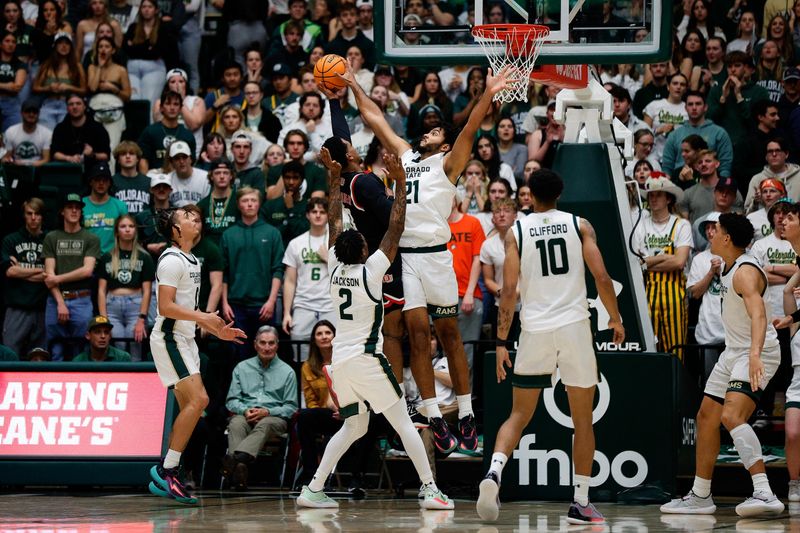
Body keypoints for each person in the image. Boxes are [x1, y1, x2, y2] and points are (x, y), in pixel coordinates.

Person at [335, 60, 514, 457]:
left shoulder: (449, 163)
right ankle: (433, 414)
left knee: (449, 335)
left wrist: (489, 92)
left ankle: (466, 414)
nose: (427, 132)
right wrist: (352, 85)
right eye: (428, 129)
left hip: (436, 258)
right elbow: (376, 118)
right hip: (407, 259)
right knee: (418, 336)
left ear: (445, 145)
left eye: (435, 131)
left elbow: (469, 128)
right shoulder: (406, 156)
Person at [296, 147, 453, 511]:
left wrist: (333, 178)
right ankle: (429, 488)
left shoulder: (335, 272)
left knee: (354, 427)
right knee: (403, 422)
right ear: (363, 249)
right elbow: (395, 227)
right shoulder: (370, 271)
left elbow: (335, 223)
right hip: (367, 359)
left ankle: (313, 489)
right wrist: (399, 182)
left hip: (342, 365)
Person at [477, 169, 625, 524]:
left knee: (518, 415)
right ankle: (580, 502)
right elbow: (602, 277)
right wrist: (616, 318)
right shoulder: (580, 225)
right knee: (583, 420)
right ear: (560, 193)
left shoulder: (517, 232)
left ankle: (494, 473)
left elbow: (508, 292)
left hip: (534, 330)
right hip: (574, 327)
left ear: (530, 196)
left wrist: (501, 342)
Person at [661, 213, 784, 518]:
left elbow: (758, 315)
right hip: (735, 351)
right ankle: (701, 495)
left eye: (716, 231)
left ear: (727, 238)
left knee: (731, 415)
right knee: (706, 417)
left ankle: (765, 493)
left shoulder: (745, 271)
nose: (711, 235)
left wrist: (754, 354)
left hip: (758, 351)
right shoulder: (727, 267)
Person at [148, 204, 246, 504]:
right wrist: (203, 318)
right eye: (187, 217)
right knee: (200, 400)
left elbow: (189, 308)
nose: (195, 219)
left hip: (186, 339)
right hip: (170, 338)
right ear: (176, 230)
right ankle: (166, 470)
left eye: (195, 216)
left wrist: (218, 329)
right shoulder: (170, 260)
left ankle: (171, 471)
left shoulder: (191, 258)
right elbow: (166, 307)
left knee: (192, 412)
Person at [223, 325, 298, 491]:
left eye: (271, 343)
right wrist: (244, 410)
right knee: (236, 423)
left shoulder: (288, 372)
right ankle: (240, 469)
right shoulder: (241, 368)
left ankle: (235, 460)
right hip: (246, 414)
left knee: (266, 423)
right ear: (255, 344)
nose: (267, 347)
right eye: (263, 343)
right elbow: (231, 400)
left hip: (274, 418)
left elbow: (291, 407)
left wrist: (268, 412)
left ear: (277, 345)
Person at [220, 187, 285, 358]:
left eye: (253, 200)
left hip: (264, 305)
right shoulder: (228, 235)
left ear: (259, 203)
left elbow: (278, 269)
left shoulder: (272, 233)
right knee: (239, 355)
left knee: (267, 353)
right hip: (236, 307)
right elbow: (223, 272)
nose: (249, 204)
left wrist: (272, 301)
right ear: (238, 204)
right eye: (245, 201)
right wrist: (224, 303)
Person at [633, 176, 694, 357]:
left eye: (658, 195)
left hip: (675, 295)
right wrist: (665, 257)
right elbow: (637, 264)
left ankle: (675, 385)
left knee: (676, 350)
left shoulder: (681, 224)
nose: (653, 199)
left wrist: (648, 261)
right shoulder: (640, 226)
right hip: (647, 296)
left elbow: (679, 262)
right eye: (651, 195)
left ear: (668, 198)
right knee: (649, 349)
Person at [43, 193, 101, 361]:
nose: (74, 211)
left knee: (81, 351)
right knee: (55, 350)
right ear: (62, 211)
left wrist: (58, 279)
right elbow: (49, 274)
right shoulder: (52, 237)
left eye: (78, 208)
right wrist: (61, 303)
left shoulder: (91, 238)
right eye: (70, 207)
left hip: (82, 299)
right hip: (55, 301)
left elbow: (87, 270)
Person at [282, 198, 335, 361]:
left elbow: (346, 274)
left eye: (322, 212)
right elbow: (290, 281)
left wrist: (329, 259)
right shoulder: (296, 243)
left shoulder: (336, 241)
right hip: (303, 303)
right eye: (314, 212)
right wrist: (286, 313)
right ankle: (305, 386)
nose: (318, 215)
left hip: (330, 303)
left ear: (328, 215)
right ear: (307, 215)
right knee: (301, 352)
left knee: (335, 350)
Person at [97, 214, 154, 360]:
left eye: (131, 226)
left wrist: (142, 318)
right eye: (123, 226)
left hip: (135, 305)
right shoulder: (107, 257)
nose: (127, 230)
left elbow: (147, 290)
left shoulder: (144, 257)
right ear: (117, 231)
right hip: (112, 305)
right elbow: (101, 290)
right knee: (117, 346)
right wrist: (104, 319)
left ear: (135, 230)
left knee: (135, 344)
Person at [1, 198, 47, 358]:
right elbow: (10, 273)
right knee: (10, 354)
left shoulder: (49, 240)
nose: (33, 217)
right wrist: (38, 271)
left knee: (39, 358)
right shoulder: (11, 240)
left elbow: (51, 275)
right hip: (17, 308)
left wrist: (21, 269)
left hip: (42, 308)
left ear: (42, 216)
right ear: (24, 216)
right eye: (29, 213)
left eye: (37, 214)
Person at [447, 195, 485, 375]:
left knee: (466, 351)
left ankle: (466, 398)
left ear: (457, 199)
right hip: (441, 297)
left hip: (467, 295)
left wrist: (469, 292)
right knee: (442, 352)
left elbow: (478, 259)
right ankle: (445, 398)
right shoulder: (436, 227)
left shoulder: (472, 223)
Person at [661, 91, 734, 180]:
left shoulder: (719, 133)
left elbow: (725, 166)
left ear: (705, 107)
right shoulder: (675, 135)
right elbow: (667, 167)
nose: (694, 107)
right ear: (685, 108)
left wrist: (722, 187)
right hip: (679, 182)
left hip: (710, 184)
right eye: (690, 104)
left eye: (698, 104)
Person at [123, 0, 177, 107]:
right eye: (144, 7)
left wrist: (135, 47)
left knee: (149, 103)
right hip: (132, 69)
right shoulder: (133, 27)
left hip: (154, 68)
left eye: (150, 7)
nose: (146, 10)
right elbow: (126, 50)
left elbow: (157, 52)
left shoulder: (163, 28)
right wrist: (148, 47)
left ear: (156, 10)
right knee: (134, 102)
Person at [86, 35, 130, 149]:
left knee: (112, 146)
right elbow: (92, 88)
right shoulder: (92, 68)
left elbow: (127, 96)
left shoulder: (121, 70)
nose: (103, 49)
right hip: (96, 109)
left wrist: (114, 89)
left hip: (115, 110)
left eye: (107, 46)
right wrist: (99, 68)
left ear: (113, 50)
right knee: (96, 146)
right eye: (100, 47)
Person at [138, 89, 195, 173]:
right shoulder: (150, 132)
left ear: (180, 109)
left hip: (180, 179)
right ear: (161, 108)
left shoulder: (187, 135)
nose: (172, 108)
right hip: (155, 178)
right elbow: (143, 161)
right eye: (168, 104)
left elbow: (191, 163)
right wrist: (145, 183)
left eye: (176, 104)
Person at [153, 68, 206, 156]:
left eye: (181, 81)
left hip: (193, 151)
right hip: (166, 150)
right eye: (173, 82)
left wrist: (180, 100)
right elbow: (159, 124)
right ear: (167, 86)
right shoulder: (160, 103)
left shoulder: (197, 101)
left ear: (186, 84)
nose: (177, 85)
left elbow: (194, 125)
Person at [50, 92, 110, 169]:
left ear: (84, 106)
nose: (74, 107)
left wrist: (92, 154)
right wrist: (68, 158)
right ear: (67, 108)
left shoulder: (97, 128)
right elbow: (55, 153)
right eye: (71, 104)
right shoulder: (60, 128)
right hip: (67, 168)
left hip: (92, 169)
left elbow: (106, 156)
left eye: (78, 103)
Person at [82, 161, 128, 253]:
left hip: (112, 257)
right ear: (91, 182)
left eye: (105, 180)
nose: (101, 183)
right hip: (86, 256)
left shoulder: (120, 206)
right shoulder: (81, 204)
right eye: (97, 180)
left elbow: (126, 234)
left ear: (110, 183)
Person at [196, 158, 239, 246]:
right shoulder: (202, 205)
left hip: (234, 248)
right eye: (217, 173)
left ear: (231, 176)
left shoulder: (239, 201)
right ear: (211, 176)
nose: (222, 176)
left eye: (226, 173)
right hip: (210, 252)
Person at [2, 97, 51, 166]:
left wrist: (26, 164)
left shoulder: (47, 133)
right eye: (28, 111)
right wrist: (8, 161)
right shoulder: (10, 132)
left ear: (39, 114)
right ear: (21, 113)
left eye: (34, 112)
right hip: (16, 169)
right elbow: (7, 156)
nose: (31, 114)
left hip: (38, 170)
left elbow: (46, 159)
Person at [166, 140, 210, 207]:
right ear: (172, 162)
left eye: (184, 157)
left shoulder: (205, 178)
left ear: (191, 159)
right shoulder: (167, 180)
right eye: (177, 158)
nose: (181, 161)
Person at [111, 141, 150, 214]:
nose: (128, 156)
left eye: (131, 154)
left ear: (138, 158)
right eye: (123, 154)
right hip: (120, 224)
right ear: (118, 160)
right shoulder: (111, 182)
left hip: (144, 224)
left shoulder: (148, 182)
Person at [748, 178, 788, 242]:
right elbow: (748, 247)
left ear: (782, 194)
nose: (768, 195)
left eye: (772, 191)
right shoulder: (752, 218)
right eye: (765, 191)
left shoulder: (791, 216)